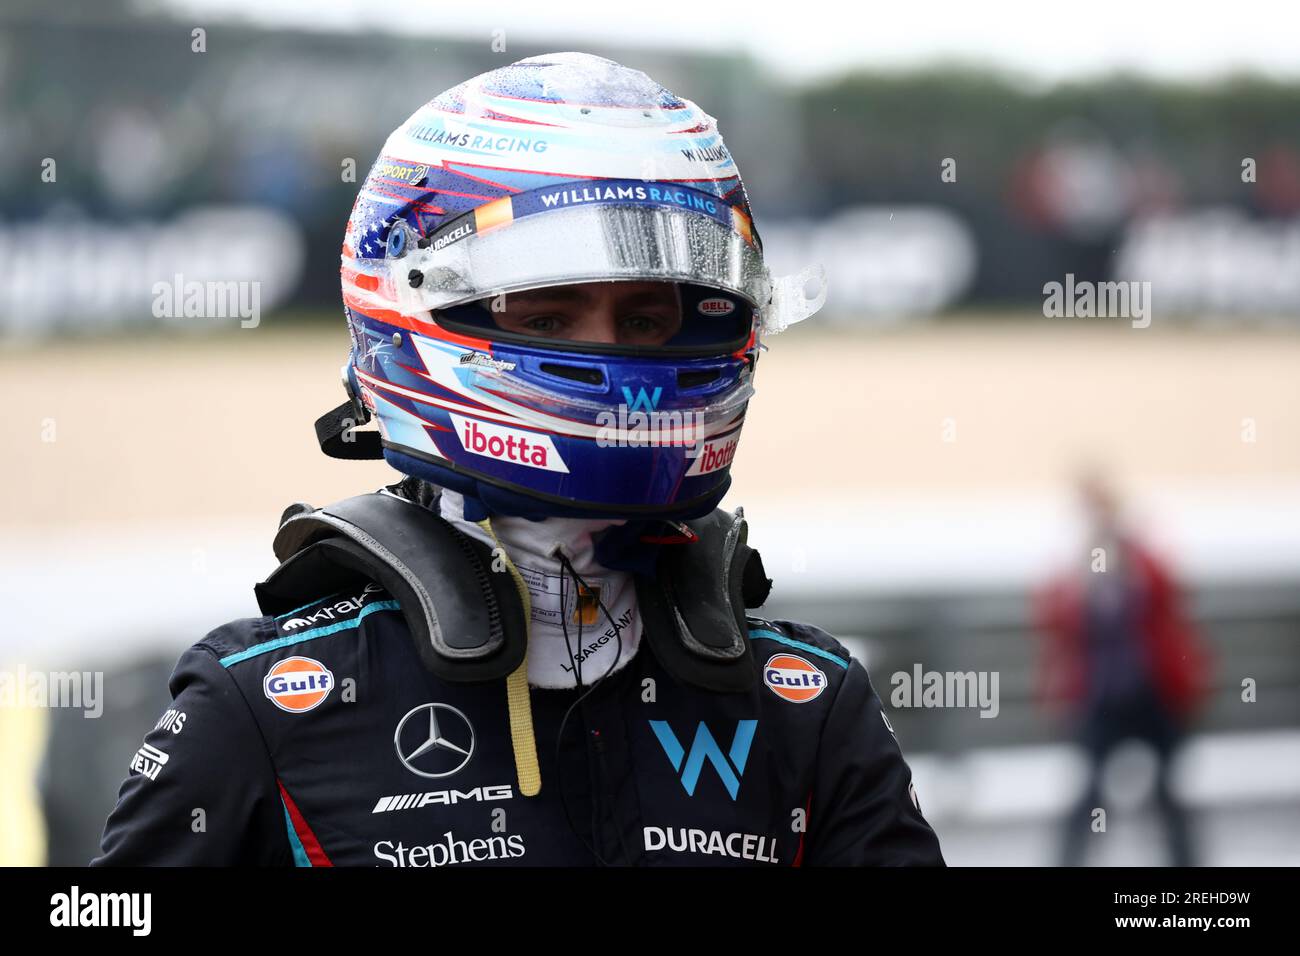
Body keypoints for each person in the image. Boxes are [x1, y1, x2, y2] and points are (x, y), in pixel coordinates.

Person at [93, 52, 943, 867]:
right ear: (411, 310)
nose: (616, 365)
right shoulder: (266, 704)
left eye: (646, 320)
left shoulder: (807, 702)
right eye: (548, 319)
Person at [1036, 473, 1209, 866]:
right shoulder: (1077, 567)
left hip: (1151, 693)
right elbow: (1057, 624)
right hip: (1104, 698)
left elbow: (1168, 602)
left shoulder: (1137, 557)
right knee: (1091, 794)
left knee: (1168, 792)